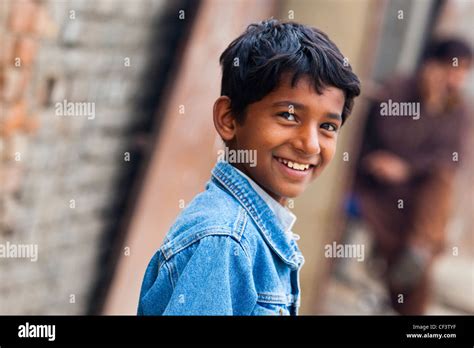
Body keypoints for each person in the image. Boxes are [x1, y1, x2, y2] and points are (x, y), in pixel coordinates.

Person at [137, 19, 360, 315]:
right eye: (289, 116)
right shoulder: (225, 241)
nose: (310, 144)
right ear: (229, 119)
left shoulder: (255, 234)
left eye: (328, 126)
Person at [353, 38, 472, 314]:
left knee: (440, 183)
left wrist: (408, 168)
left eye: (463, 72)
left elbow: (452, 157)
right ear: (431, 66)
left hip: (419, 194)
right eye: (452, 70)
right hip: (380, 188)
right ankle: (419, 252)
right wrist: (426, 108)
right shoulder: (398, 89)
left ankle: (418, 249)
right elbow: (387, 136)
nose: (456, 79)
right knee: (419, 245)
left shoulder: (457, 108)